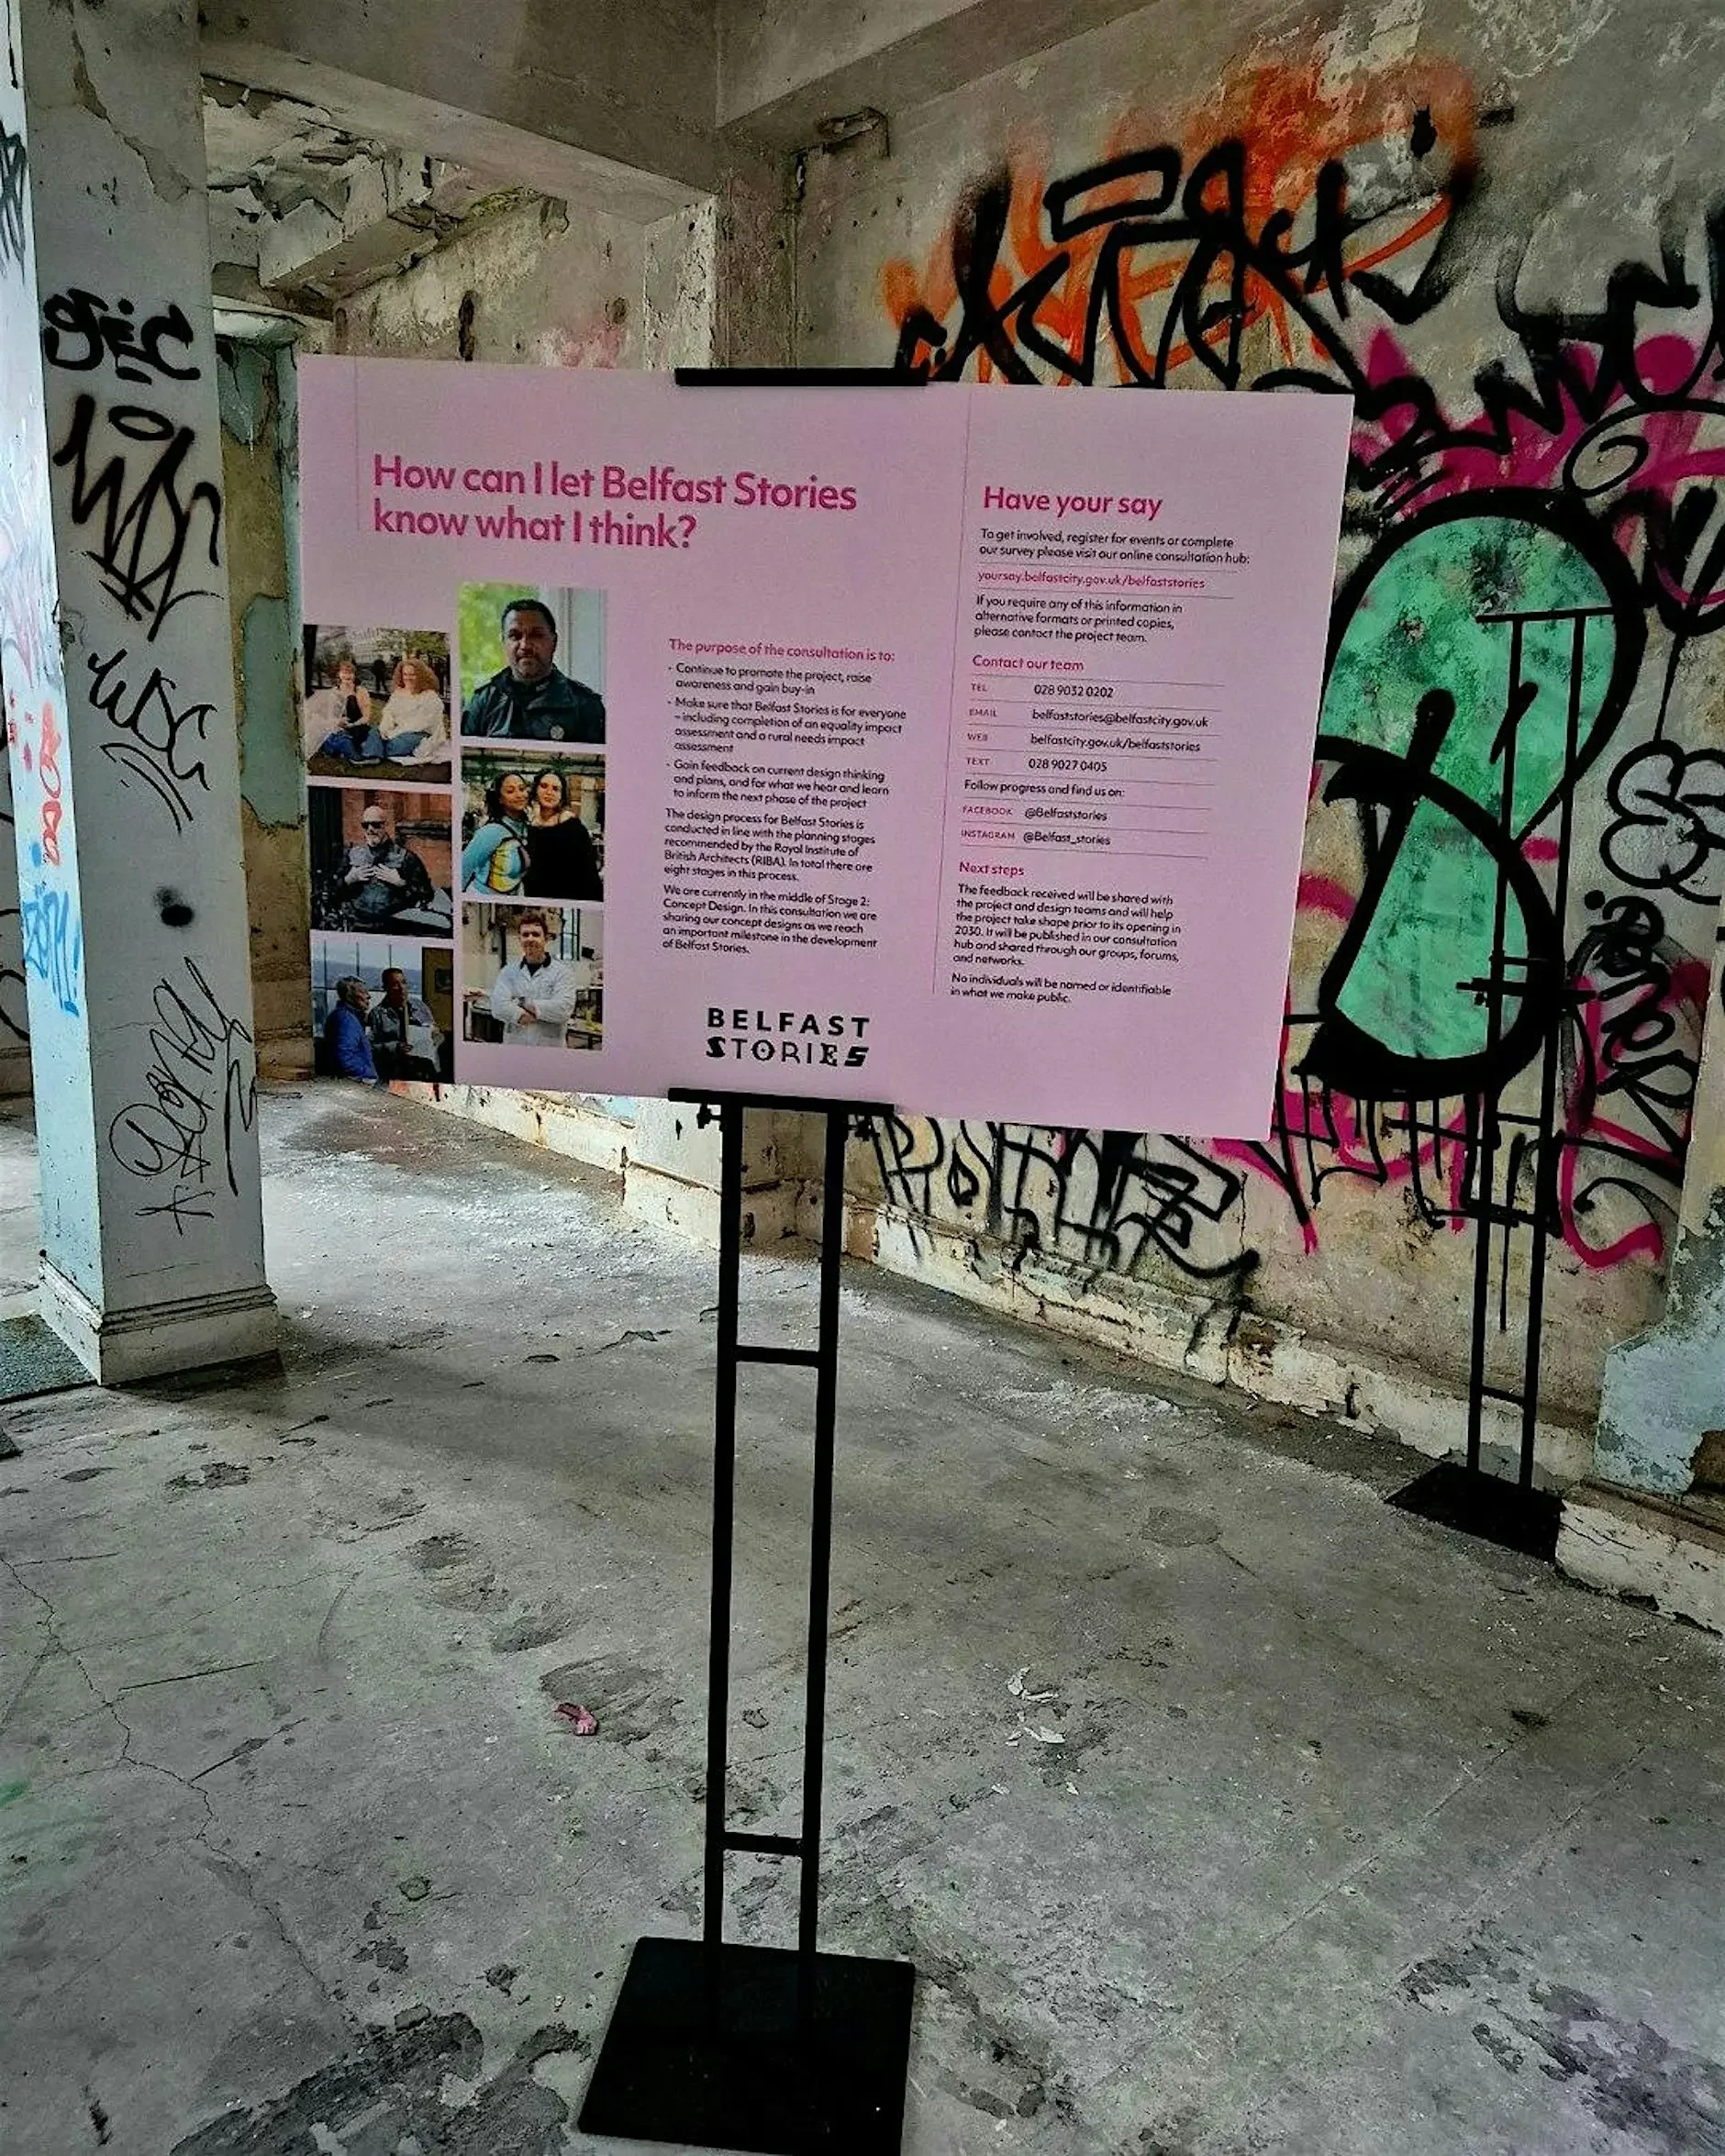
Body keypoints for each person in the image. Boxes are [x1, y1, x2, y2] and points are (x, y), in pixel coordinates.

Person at [461, 599, 605, 742]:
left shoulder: (585, 706)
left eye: (536, 635)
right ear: (504, 642)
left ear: (554, 642)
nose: (525, 645)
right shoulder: (482, 703)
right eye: (515, 636)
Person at [338, 804, 436, 928]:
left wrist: (401, 883)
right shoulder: (351, 855)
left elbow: (426, 895)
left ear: (385, 825)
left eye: (376, 825)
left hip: (393, 926)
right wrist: (349, 879)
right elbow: (333, 893)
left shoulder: (406, 857)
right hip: (358, 925)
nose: (370, 829)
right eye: (365, 825)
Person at [489, 910, 578, 1045]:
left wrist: (521, 1003)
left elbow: (563, 1009)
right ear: (520, 939)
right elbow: (497, 1007)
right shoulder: (508, 972)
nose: (530, 939)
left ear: (546, 939)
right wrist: (521, 1015)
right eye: (525, 935)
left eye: (536, 934)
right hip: (515, 1046)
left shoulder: (563, 972)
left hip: (550, 1048)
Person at [521, 766, 602, 902]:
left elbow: (588, 873)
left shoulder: (571, 826)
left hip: (566, 897)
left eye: (555, 789)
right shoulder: (530, 824)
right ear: (535, 790)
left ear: (562, 795)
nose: (549, 792)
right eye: (544, 786)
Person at [461, 772, 532, 895]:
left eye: (522, 789)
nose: (519, 795)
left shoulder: (526, 829)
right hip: (482, 897)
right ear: (500, 799)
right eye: (510, 791)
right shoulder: (491, 832)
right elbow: (463, 869)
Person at [368, 965, 443, 1080]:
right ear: (385, 988)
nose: (401, 988)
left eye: (403, 982)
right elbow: (370, 1048)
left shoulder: (420, 1006)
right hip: (395, 1072)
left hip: (426, 1069)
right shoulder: (377, 1014)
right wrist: (395, 1047)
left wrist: (435, 1035)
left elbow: (438, 1035)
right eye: (395, 984)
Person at [309, 659, 385, 761]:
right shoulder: (333, 693)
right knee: (342, 740)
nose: (347, 676)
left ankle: (370, 755)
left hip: (358, 726)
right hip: (341, 729)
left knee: (375, 732)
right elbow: (331, 718)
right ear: (339, 675)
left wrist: (353, 725)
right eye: (344, 673)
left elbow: (366, 717)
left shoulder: (361, 692)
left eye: (350, 673)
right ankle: (356, 755)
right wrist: (339, 722)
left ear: (354, 675)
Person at [377, 656, 449, 764]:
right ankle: (374, 748)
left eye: (412, 675)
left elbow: (423, 724)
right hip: (397, 733)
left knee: (395, 746)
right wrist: (384, 730)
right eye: (405, 674)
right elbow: (388, 715)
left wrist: (396, 733)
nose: (408, 678)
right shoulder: (397, 694)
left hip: (420, 734)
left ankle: (373, 749)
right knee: (374, 734)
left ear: (421, 676)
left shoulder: (430, 696)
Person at [323, 976, 380, 1082]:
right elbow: (345, 1057)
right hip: (356, 1082)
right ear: (349, 996)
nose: (369, 996)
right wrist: (369, 1074)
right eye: (363, 992)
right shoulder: (346, 1020)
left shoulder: (343, 1016)